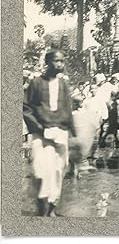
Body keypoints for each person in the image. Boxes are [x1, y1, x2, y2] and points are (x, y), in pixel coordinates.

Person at [23, 49, 76, 216]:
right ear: (48, 62)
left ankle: (52, 208)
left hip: (60, 132)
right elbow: (26, 108)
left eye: (62, 61)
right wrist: (38, 127)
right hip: (41, 133)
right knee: (39, 171)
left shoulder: (63, 84)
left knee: (58, 170)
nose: (60, 64)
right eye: (56, 61)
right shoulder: (36, 83)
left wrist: (72, 134)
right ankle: (41, 204)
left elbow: (68, 109)